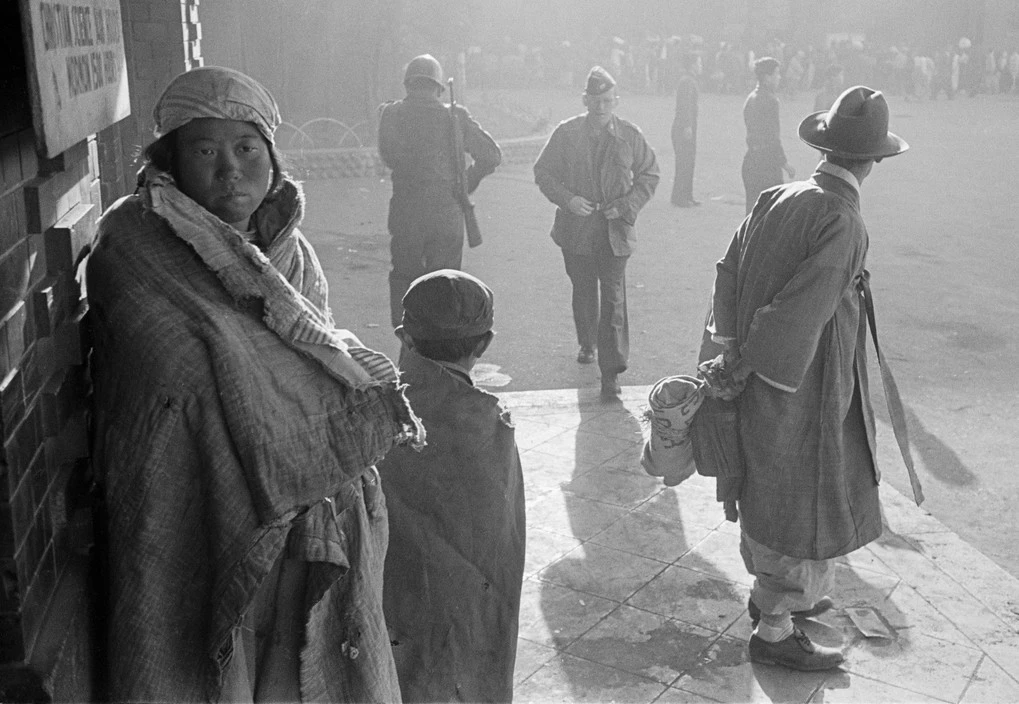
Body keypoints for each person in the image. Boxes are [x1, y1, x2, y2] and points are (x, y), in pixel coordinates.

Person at [86, 66, 424, 702]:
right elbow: (173, 380)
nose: (230, 172)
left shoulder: (290, 250)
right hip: (196, 503)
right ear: (169, 161)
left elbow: (308, 348)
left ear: (271, 156)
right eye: (205, 151)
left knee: (290, 671)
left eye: (246, 150)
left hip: (296, 517)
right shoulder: (130, 245)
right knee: (202, 668)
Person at [702, 85, 909, 671]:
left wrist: (730, 349)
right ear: (872, 162)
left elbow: (727, 270)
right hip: (802, 383)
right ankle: (774, 629)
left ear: (824, 149)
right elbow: (799, 314)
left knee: (765, 482)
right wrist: (751, 360)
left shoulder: (776, 195)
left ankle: (779, 599)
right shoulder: (842, 219)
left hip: (764, 368)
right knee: (803, 496)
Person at [378, 269, 526, 702]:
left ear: (404, 336)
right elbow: (503, 553)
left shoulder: (374, 412)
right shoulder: (488, 425)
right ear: (486, 343)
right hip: (467, 632)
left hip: (391, 626)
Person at [534, 66, 659, 397]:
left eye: (607, 100)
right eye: (595, 100)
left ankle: (611, 372)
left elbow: (650, 174)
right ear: (585, 100)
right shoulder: (566, 134)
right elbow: (543, 172)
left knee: (614, 297)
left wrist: (627, 204)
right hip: (576, 230)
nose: (601, 107)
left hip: (615, 230)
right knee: (584, 289)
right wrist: (568, 200)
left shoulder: (630, 136)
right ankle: (587, 342)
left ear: (615, 100)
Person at [378, 53, 502, 328]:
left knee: (404, 283)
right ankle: (440, 353)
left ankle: (407, 350)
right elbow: (491, 156)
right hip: (447, 215)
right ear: (438, 88)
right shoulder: (455, 116)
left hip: (406, 216)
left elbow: (389, 156)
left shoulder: (391, 114)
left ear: (408, 84)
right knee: (444, 288)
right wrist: (464, 184)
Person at [741, 56, 795, 214]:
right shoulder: (771, 101)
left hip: (751, 160)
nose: (779, 77)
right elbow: (772, 137)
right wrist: (784, 163)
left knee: (752, 212)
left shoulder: (750, 98)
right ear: (766, 78)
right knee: (771, 213)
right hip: (767, 165)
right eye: (776, 74)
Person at [670, 52, 702, 207]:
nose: (700, 65)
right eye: (699, 62)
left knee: (689, 161)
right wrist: (687, 125)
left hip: (687, 126)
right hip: (684, 127)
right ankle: (679, 197)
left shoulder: (688, 81)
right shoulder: (687, 82)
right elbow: (685, 106)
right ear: (693, 65)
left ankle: (687, 195)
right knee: (684, 162)